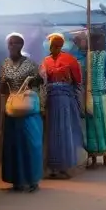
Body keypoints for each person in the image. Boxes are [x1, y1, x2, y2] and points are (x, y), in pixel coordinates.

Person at [0, 33, 44, 192]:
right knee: (14, 146)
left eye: (16, 43)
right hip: (12, 108)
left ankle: (33, 180)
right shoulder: (5, 64)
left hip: (28, 109)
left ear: (21, 45)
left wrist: (33, 81)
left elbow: (40, 82)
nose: (12, 46)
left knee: (30, 144)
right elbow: (2, 86)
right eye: (10, 43)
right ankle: (17, 180)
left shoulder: (31, 64)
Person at [40, 33, 85, 178]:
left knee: (65, 131)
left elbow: (78, 81)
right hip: (50, 99)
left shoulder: (70, 60)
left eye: (58, 46)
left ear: (62, 46)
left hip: (65, 99)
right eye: (53, 46)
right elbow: (42, 81)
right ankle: (53, 167)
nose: (55, 48)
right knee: (51, 132)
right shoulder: (45, 61)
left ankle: (65, 166)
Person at [84, 31, 106, 168]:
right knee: (100, 125)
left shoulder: (87, 57)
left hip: (93, 96)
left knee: (94, 126)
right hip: (100, 96)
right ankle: (101, 156)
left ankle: (98, 157)